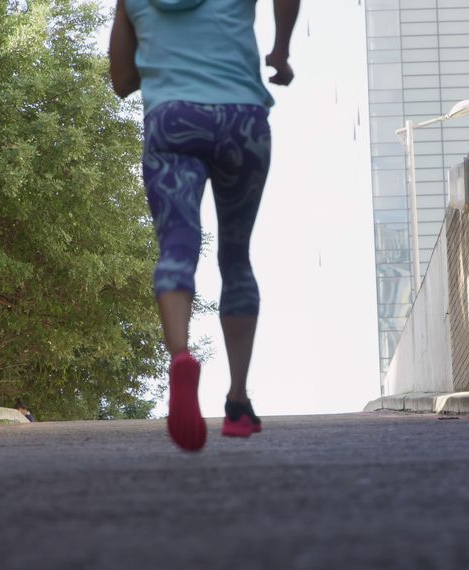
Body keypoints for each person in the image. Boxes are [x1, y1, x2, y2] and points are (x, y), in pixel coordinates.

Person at [109, 0, 299, 451]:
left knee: (176, 246)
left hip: (172, 121)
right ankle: (237, 401)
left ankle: (180, 356)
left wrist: (157, 61)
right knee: (235, 254)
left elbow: (121, 82)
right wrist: (280, 51)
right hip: (242, 121)